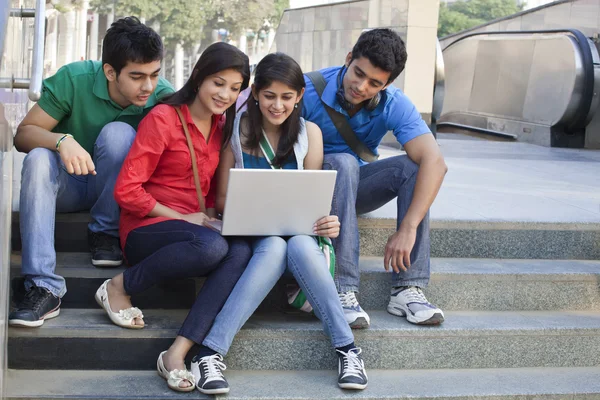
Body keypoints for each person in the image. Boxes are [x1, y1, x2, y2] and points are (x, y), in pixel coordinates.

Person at [187, 53, 368, 395]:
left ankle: (347, 350)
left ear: (299, 95)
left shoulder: (308, 134)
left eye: (287, 97)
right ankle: (210, 354)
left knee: (295, 243)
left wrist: (327, 223)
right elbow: (222, 200)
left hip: (301, 243)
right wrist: (256, 204)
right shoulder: (236, 133)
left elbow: (312, 199)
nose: (277, 105)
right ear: (255, 93)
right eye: (269, 95)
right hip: (254, 237)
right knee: (272, 245)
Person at [93, 42, 252, 392]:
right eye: (218, 82)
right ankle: (119, 285)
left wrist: (213, 216)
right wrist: (184, 217)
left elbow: (210, 193)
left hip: (193, 231)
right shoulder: (163, 119)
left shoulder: (223, 126)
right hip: (146, 229)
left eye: (235, 88)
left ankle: (177, 352)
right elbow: (127, 191)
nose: (225, 94)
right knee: (210, 247)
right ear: (198, 77)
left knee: (240, 250)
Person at [9, 17, 173, 328]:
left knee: (118, 135)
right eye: (137, 77)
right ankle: (42, 286)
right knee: (38, 159)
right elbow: (23, 134)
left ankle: (104, 233)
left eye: (154, 75)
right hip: (65, 187)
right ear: (110, 72)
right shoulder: (74, 78)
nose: (148, 86)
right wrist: (62, 140)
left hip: (113, 193)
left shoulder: (161, 95)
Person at [302, 28, 448, 328]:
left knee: (414, 167)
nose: (361, 86)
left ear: (389, 83)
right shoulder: (307, 89)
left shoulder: (393, 102)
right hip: (310, 187)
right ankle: (342, 289)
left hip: (354, 187)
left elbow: (435, 161)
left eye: (374, 83)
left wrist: (407, 228)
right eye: (358, 73)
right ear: (348, 58)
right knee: (342, 162)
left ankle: (407, 288)